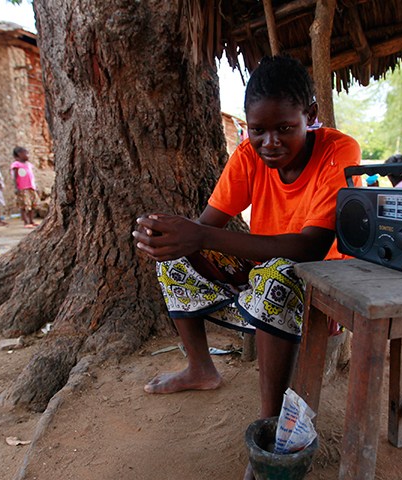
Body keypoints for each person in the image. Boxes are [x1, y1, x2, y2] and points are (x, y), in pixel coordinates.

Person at [132, 55, 361, 477]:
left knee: (276, 276)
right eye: (258, 130)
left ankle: (269, 424)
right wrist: (169, 234)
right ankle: (201, 369)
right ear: (247, 126)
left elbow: (311, 246)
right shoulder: (248, 153)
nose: (269, 142)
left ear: (309, 116)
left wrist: (200, 236)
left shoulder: (338, 151)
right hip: (263, 267)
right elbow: (207, 226)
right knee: (177, 260)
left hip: (320, 281)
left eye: (284, 128)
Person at [10, 146, 38, 228]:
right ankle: (26, 221)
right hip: (22, 188)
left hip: (31, 187)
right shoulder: (16, 165)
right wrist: (16, 187)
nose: (28, 155)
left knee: (32, 205)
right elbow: (15, 177)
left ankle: (31, 220)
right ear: (19, 154)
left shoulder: (29, 164)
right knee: (24, 205)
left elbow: (31, 176)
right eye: (26, 153)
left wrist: (35, 186)